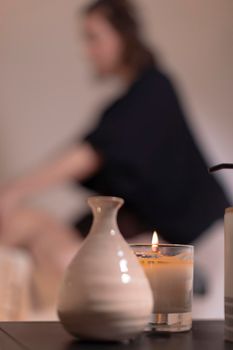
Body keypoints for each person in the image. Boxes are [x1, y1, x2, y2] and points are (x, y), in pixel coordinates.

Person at [0, 0, 229, 303]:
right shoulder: (127, 104)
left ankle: (157, 274)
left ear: (122, 35)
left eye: (93, 37)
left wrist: (13, 191)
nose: (86, 50)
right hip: (159, 234)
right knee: (40, 234)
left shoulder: (152, 89)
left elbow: (88, 154)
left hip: (192, 238)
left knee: (62, 252)